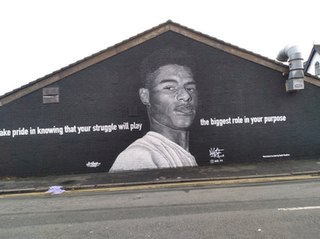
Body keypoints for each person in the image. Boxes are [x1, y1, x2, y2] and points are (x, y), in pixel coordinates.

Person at [109, 47, 198, 172]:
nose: (186, 96)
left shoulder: (185, 154)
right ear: (145, 96)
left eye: (190, 88)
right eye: (170, 88)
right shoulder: (138, 157)